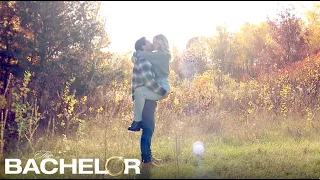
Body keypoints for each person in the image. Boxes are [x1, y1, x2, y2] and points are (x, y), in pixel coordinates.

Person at [128, 35, 171, 131]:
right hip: (156, 85)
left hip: (162, 86)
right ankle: (137, 123)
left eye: (155, 42)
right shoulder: (154, 56)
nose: (152, 44)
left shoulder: (163, 55)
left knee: (139, 92)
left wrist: (135, 55)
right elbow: (144, 55)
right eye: (151, 42)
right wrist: (134, 56)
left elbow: (144, 54)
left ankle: (137, 122)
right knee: (139, 92)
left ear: (160, 43)